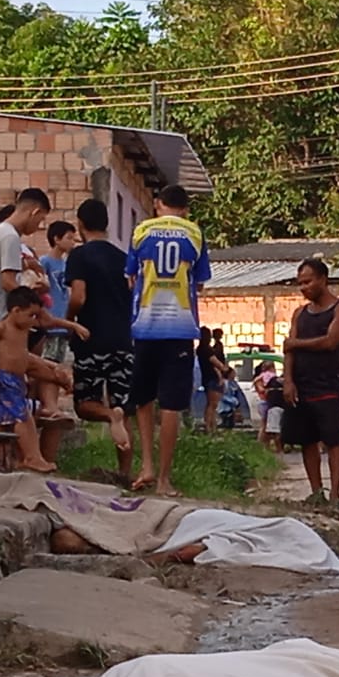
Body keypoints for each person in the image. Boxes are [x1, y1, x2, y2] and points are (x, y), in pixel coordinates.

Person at [127, 184, 212, 495]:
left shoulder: (141, 232)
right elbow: (199, 283)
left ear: (157, 204)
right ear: (186, 209)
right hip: (180, 328)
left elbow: (132, 276)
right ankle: (164, 479)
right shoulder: (194, 234)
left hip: (145, 325)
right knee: (172, 405)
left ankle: (146, 464)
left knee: (144, 398)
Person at [66, 198, 136, 480]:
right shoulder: (123, 259)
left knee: (85, 403)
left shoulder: (80, 256)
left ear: (80, 225)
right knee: (123, 406)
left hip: (92, 338)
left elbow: (78, 297)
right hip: (123, 339)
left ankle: (109, 417)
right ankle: (125, 473)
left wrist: (69, 319)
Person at [282, 258, 339, 502]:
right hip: (301, 386)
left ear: (323, 279)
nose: (304, 287)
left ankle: (334, 493)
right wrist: (288, 381)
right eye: (300, 283)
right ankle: (316, 492)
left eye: (308, 281)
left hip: (328, 386)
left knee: (333, 440)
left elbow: (330, 341)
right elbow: (288, 350)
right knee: (307, 440)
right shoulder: (299, 314)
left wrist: (296, 343)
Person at [0, 286, 61, 473]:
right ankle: (33, 457)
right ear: (16, 311)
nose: (34, 320)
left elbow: (25, 354)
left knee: (7, 421)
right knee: (24, 418)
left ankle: (2, 455)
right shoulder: (2, 328)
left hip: (18, 380)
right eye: (31, 315)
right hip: (6, 380)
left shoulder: (24, 329)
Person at [0, 188, 51, 338]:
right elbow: (8, 283)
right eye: (40, 220)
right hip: (2, 324)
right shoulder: (10, 237)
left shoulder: (2, 232)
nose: (38, 226)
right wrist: (37, 307)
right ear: (34, 212)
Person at [40, 220, 79, 364]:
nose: (72, 243)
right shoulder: (45, 262)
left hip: (63, 321)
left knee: (58, 362)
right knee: (47, 362)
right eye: (69, 238)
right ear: (56, 239)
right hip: (50, 319)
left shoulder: (65, 263)